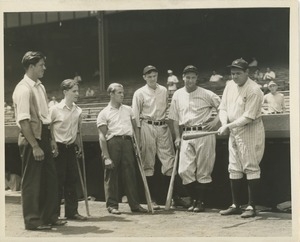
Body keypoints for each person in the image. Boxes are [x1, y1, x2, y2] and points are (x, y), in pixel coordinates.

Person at [12, 51, 66, 230]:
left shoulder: (40, 86)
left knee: (50, 178)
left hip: (43, 135)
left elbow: (44, 116)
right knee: (32, 181)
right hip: (31, 138)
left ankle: (50, 217)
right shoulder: (23, 89)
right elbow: (23, 121)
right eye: (41, 65)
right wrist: (35, 145)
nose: (45, 67)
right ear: (31, 67)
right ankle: (32, 221)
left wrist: (49, 139)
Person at [132, 65, 189, 210]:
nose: (152, 78)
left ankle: (175, 197)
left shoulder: (163, 90)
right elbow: (135, 117)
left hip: (162, 126)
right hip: (146, 125)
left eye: (154, 76)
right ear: (144, 77)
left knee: (169, 161)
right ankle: (151, 199)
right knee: (148, 162)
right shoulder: (139, 93)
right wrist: (138, 138)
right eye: (149, 76)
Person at [168, 65, 221, 213]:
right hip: (186, 133)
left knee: (204, 170)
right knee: (184, 171)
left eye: (193, 77)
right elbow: (174, 118)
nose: (190, 80)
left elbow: (223, 107)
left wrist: (215, 121)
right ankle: (194, 198)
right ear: (183, 77)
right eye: (187, 77)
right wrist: (177, 137)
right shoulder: (177, 94)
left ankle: (200, 201)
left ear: (196, 78)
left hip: (204, 132)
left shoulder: (206, 93)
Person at [217, 58, 265, 218]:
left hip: (250, 129)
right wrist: (224, 123)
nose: (235, 76)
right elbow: (222, 107)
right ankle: (235, 204)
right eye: (232, 73)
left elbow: (248, 117)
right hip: (234, 130)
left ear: (247, 72)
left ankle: (251, 206)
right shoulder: (229, 85)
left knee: (251, 166)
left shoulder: (254, 89)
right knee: (234, 166)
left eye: (238, 73)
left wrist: (227, 126)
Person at [97, 83, 148, 215]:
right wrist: (106, 156)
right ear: (111, 94)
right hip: (113, 142)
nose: (122, 95)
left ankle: (135, 205)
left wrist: (137, 143)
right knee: (111, 174)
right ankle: (112, 205)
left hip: (128, 142)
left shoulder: (128, 109)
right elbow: (102, 136)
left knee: (130, 173)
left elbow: (136, 127)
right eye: (119, 92)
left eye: (123, 92)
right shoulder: (104, 113)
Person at [49, 79, 87, 221]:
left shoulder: (78, 110)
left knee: (72, 180)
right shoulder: (54, 109)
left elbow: (77, 132)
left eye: (78, 91)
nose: (77, 93)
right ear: (65, 92)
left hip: (70, 148)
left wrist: (79, 146)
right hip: (58, 149)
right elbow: (48, 128)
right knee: (58, 181)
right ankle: (54, 214)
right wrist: (52, 142)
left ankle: (72, 212)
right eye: (74, 91)